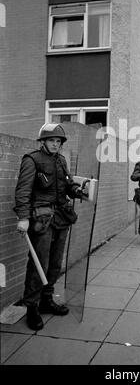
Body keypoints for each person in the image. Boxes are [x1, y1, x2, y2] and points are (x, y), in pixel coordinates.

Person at [14, 123, 85, 331]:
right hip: (42, 219)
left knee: (55, 262)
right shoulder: (32, 160)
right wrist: (23, 217)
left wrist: (77, 189)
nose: (55, 144)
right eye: (52, 140)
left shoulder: (61, 160)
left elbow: (67, 184)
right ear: (43, 142)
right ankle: (32, 307)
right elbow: (23, 191)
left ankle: (46, 299)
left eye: (58, 141)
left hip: (61, 217)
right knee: (39, 264)